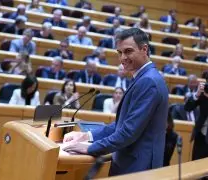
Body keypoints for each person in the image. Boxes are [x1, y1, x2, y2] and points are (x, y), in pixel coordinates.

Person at [62, 28, 169, 176]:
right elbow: (123, 124)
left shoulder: (148, 81)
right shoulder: (143, 77)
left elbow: (128, 132)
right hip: (133, 163)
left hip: (138, 167)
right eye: (119, 52)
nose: (123, 58)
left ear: (144, 49)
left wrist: (89, 148)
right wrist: (86, 136)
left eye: (128, 51)